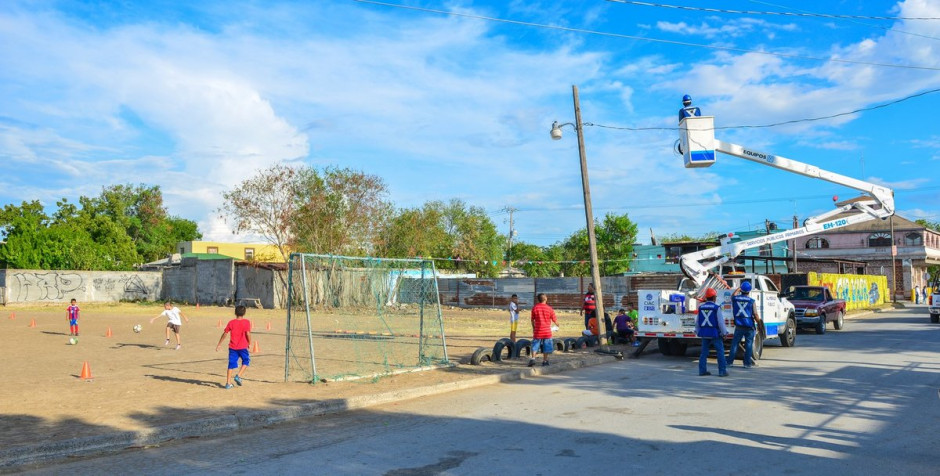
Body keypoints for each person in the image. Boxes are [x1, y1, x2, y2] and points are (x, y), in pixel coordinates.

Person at [216, 305, 252, 389]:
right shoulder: (246, 322)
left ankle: (228, 383)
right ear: (244, 313)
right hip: (243, 347)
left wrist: (219, 344)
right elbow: (248, 334)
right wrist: (249, 343)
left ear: (235, 313)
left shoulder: (231, 322)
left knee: (231, 364)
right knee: (246, 361)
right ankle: (238, 376)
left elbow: (225, 333)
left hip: (233, 347)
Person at [695, 288, 728, 377]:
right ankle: (722, 371)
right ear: (714, 298)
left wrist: (697, 332)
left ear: (706, 297)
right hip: (715, 334)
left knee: (704, 353)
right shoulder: (716, 308)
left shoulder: (701, 308)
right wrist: (724, 333)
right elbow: (720, 322)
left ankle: (702, 371)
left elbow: (697, 322)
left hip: (704, 333)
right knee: (720, 352)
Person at [727, 281, 761, 369]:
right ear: (749, 291)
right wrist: (760, 322)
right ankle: (747, 364)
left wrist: (738, 288)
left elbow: (733, 295)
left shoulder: (736, 299)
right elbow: (755, 314)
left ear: (741, 290)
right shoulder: (751, 301)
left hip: (739, 326)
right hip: (749, 326)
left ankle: (730, 362)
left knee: (735, 344)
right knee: (749, 345)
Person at [529, 293, 559, 367]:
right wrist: (558, 324)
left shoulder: (535, 308)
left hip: (538, 330)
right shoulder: (549, 308)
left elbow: (532, 320)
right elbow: (554, 319)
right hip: (547, 331)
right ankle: (545, 361)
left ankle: (533, 358)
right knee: (546, 346)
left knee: (535, 345)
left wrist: (534, 328)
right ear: (545, 299)